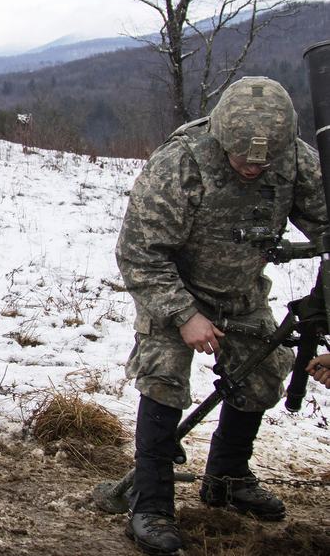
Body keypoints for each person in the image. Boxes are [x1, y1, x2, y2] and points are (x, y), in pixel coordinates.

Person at [115, 77, 327, 555]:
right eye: (242, 158)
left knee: (262, 378)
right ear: (221, 139)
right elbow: (139, 254)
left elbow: (324, 220)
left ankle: (227, 477)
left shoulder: (292, 160)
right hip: (173, 286)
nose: (254, 168)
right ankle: (150, 506)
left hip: (240, 290)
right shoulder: (181, 164)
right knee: (163, 379)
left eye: (263, 161)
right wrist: (184, 315)